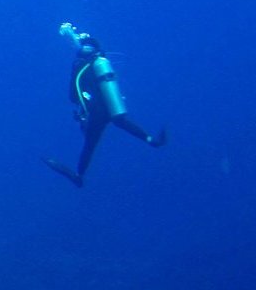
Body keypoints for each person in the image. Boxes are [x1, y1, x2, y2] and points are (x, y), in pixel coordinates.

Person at [43, 22, 168, 186]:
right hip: (112, 109)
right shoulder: (101, 62)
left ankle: (78, 175)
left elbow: (73, 96)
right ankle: (151, 139)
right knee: (123, 123)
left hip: (96, 113)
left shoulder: (80, 65)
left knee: (89, 145)